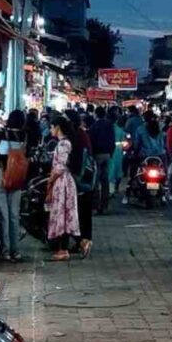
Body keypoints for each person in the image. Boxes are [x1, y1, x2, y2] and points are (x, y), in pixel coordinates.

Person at [0, 109, 26, 262]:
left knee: (3, 215)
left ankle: (5, 250)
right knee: (14, 215)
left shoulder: (2, 134)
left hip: (2, 175)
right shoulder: (24, 136)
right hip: (18, 177)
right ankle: (16, 251)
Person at [47, 115, 81, 261]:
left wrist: (50, 180)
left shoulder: (63, 144)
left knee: (62, 215)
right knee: (66, 214)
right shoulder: (65, 143)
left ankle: (64, 249)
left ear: (57, 127)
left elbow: (60, 167)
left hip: (63, 183)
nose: (50, 130)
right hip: (65, 182)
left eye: (51, 127)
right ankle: (81, 242)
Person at [66, 109, 94, 258]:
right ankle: (85, 240)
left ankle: (81, 241)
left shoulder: (74, 136)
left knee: (75, 212)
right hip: (86, 179)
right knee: (84, 212)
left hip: (77, 178)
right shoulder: (83, 134)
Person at [89, 105, 116, 214]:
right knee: (105, 181)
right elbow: (112, 140)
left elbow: (91, 141)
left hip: (97, 155)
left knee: (95, 181)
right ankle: (104, 205)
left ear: (96, 114)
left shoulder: (94, 126)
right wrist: (111, 154)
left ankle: (95, 206)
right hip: (107, 155)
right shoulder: (110, 125)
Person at [110, 112, 127, 195]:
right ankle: (115, 188)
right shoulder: (121, 130)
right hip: (118, 151)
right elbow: (125, 142)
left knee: (111, 169)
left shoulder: (109, 128)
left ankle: (111, 188)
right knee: (118, 169)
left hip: (111, 151)